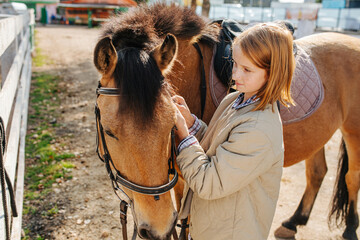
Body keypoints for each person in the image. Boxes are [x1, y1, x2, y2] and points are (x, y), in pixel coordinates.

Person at [172, 22, 295, 240]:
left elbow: (208, 183)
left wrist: (183, 135)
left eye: (247, 69)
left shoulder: (259, 130)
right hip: (211, 226)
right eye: (235, 64)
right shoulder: (235, 99)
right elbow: (220, 146)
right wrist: (191, 123)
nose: (236, 74)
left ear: (272, 73)